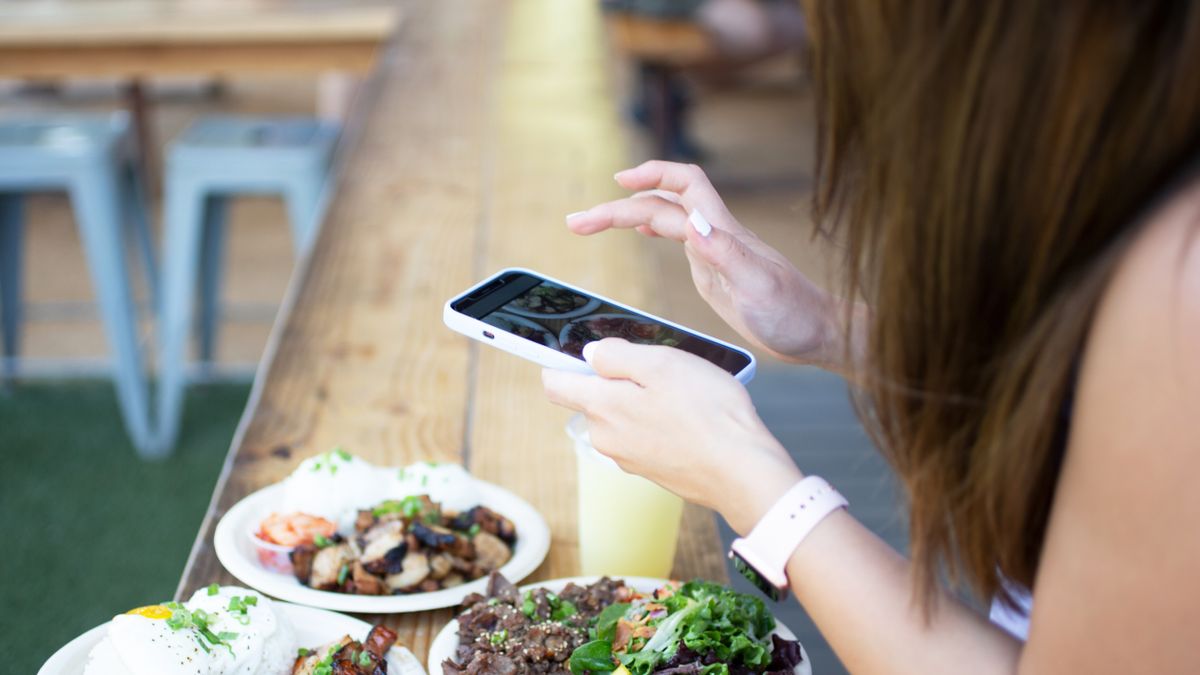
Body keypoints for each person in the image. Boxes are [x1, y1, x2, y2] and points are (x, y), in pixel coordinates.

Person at [543, 2, 1200, 672]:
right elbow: (1083, 392)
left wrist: (747, 477)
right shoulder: (1122, 172)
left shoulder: (1181, 283)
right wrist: (829, 327)